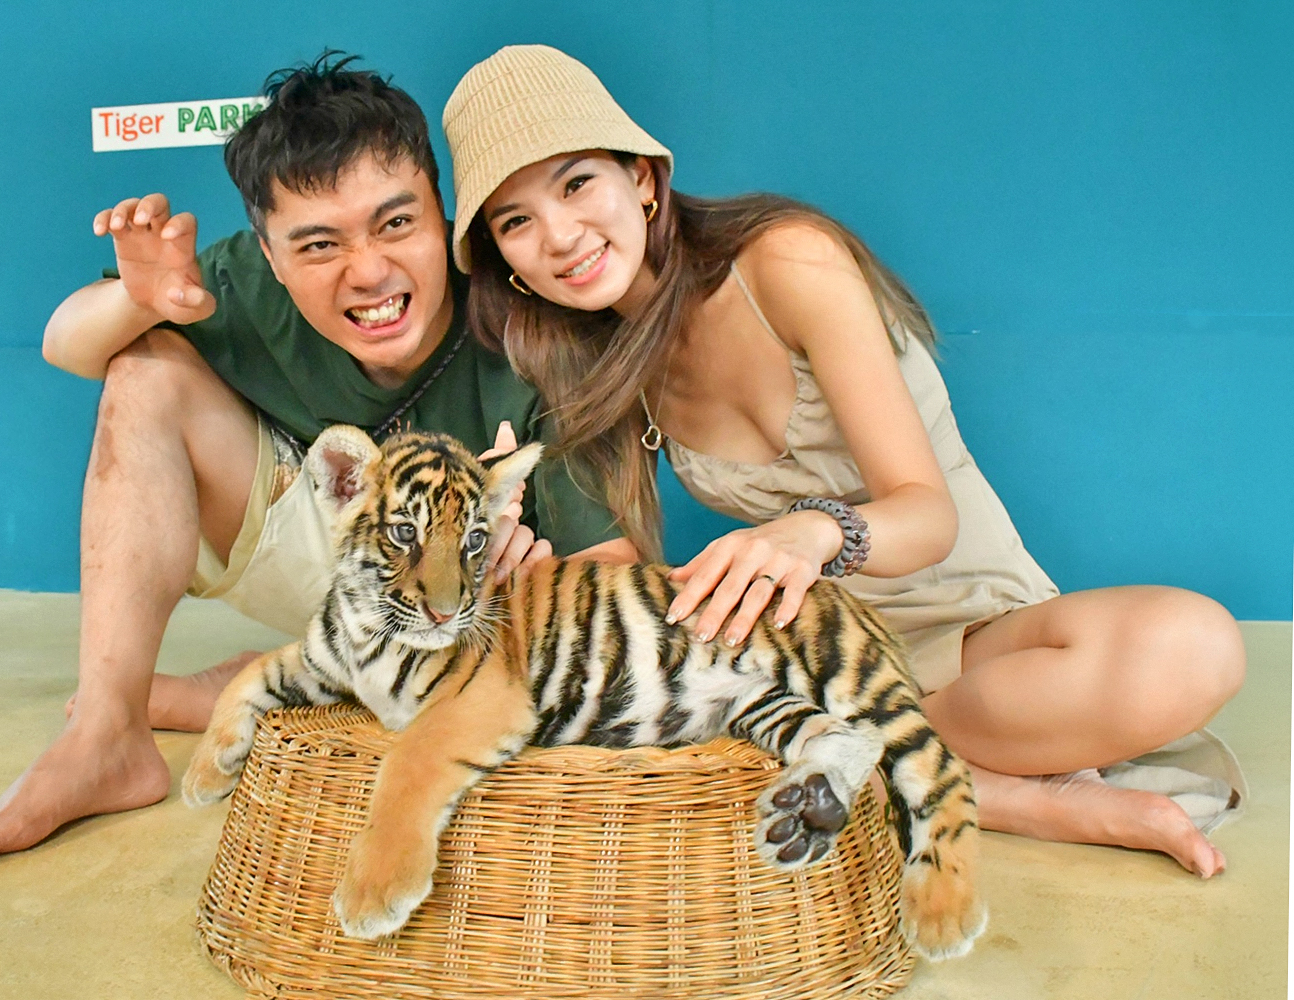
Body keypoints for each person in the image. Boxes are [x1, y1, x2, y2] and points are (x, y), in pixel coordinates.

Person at [441, 44, 1246, 877]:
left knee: (1194, 647)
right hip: (815, 655)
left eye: (577, 183)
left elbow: (927, 515)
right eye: (515, 221)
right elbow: (624, 578)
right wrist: (504, 551)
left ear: (642, 178)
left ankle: (894, 764)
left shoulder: (787, 261)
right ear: (505, 261)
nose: (560, 235)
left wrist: (812, 531)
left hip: (978, 629)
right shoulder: (593, 366)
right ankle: (1023, 797)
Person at [0, 53, 633, 868]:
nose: (369, 271)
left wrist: (531, 581)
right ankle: (106, 737)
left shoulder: (536, 324)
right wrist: (135, 300)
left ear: (444, 216)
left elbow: (615, 571)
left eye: (396, 224)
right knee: (144, 368)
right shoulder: (243, 283)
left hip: (465, 610)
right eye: (320, 244)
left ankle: (278, 678)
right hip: (319, 548)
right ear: (268, 256)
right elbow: (66, 344)